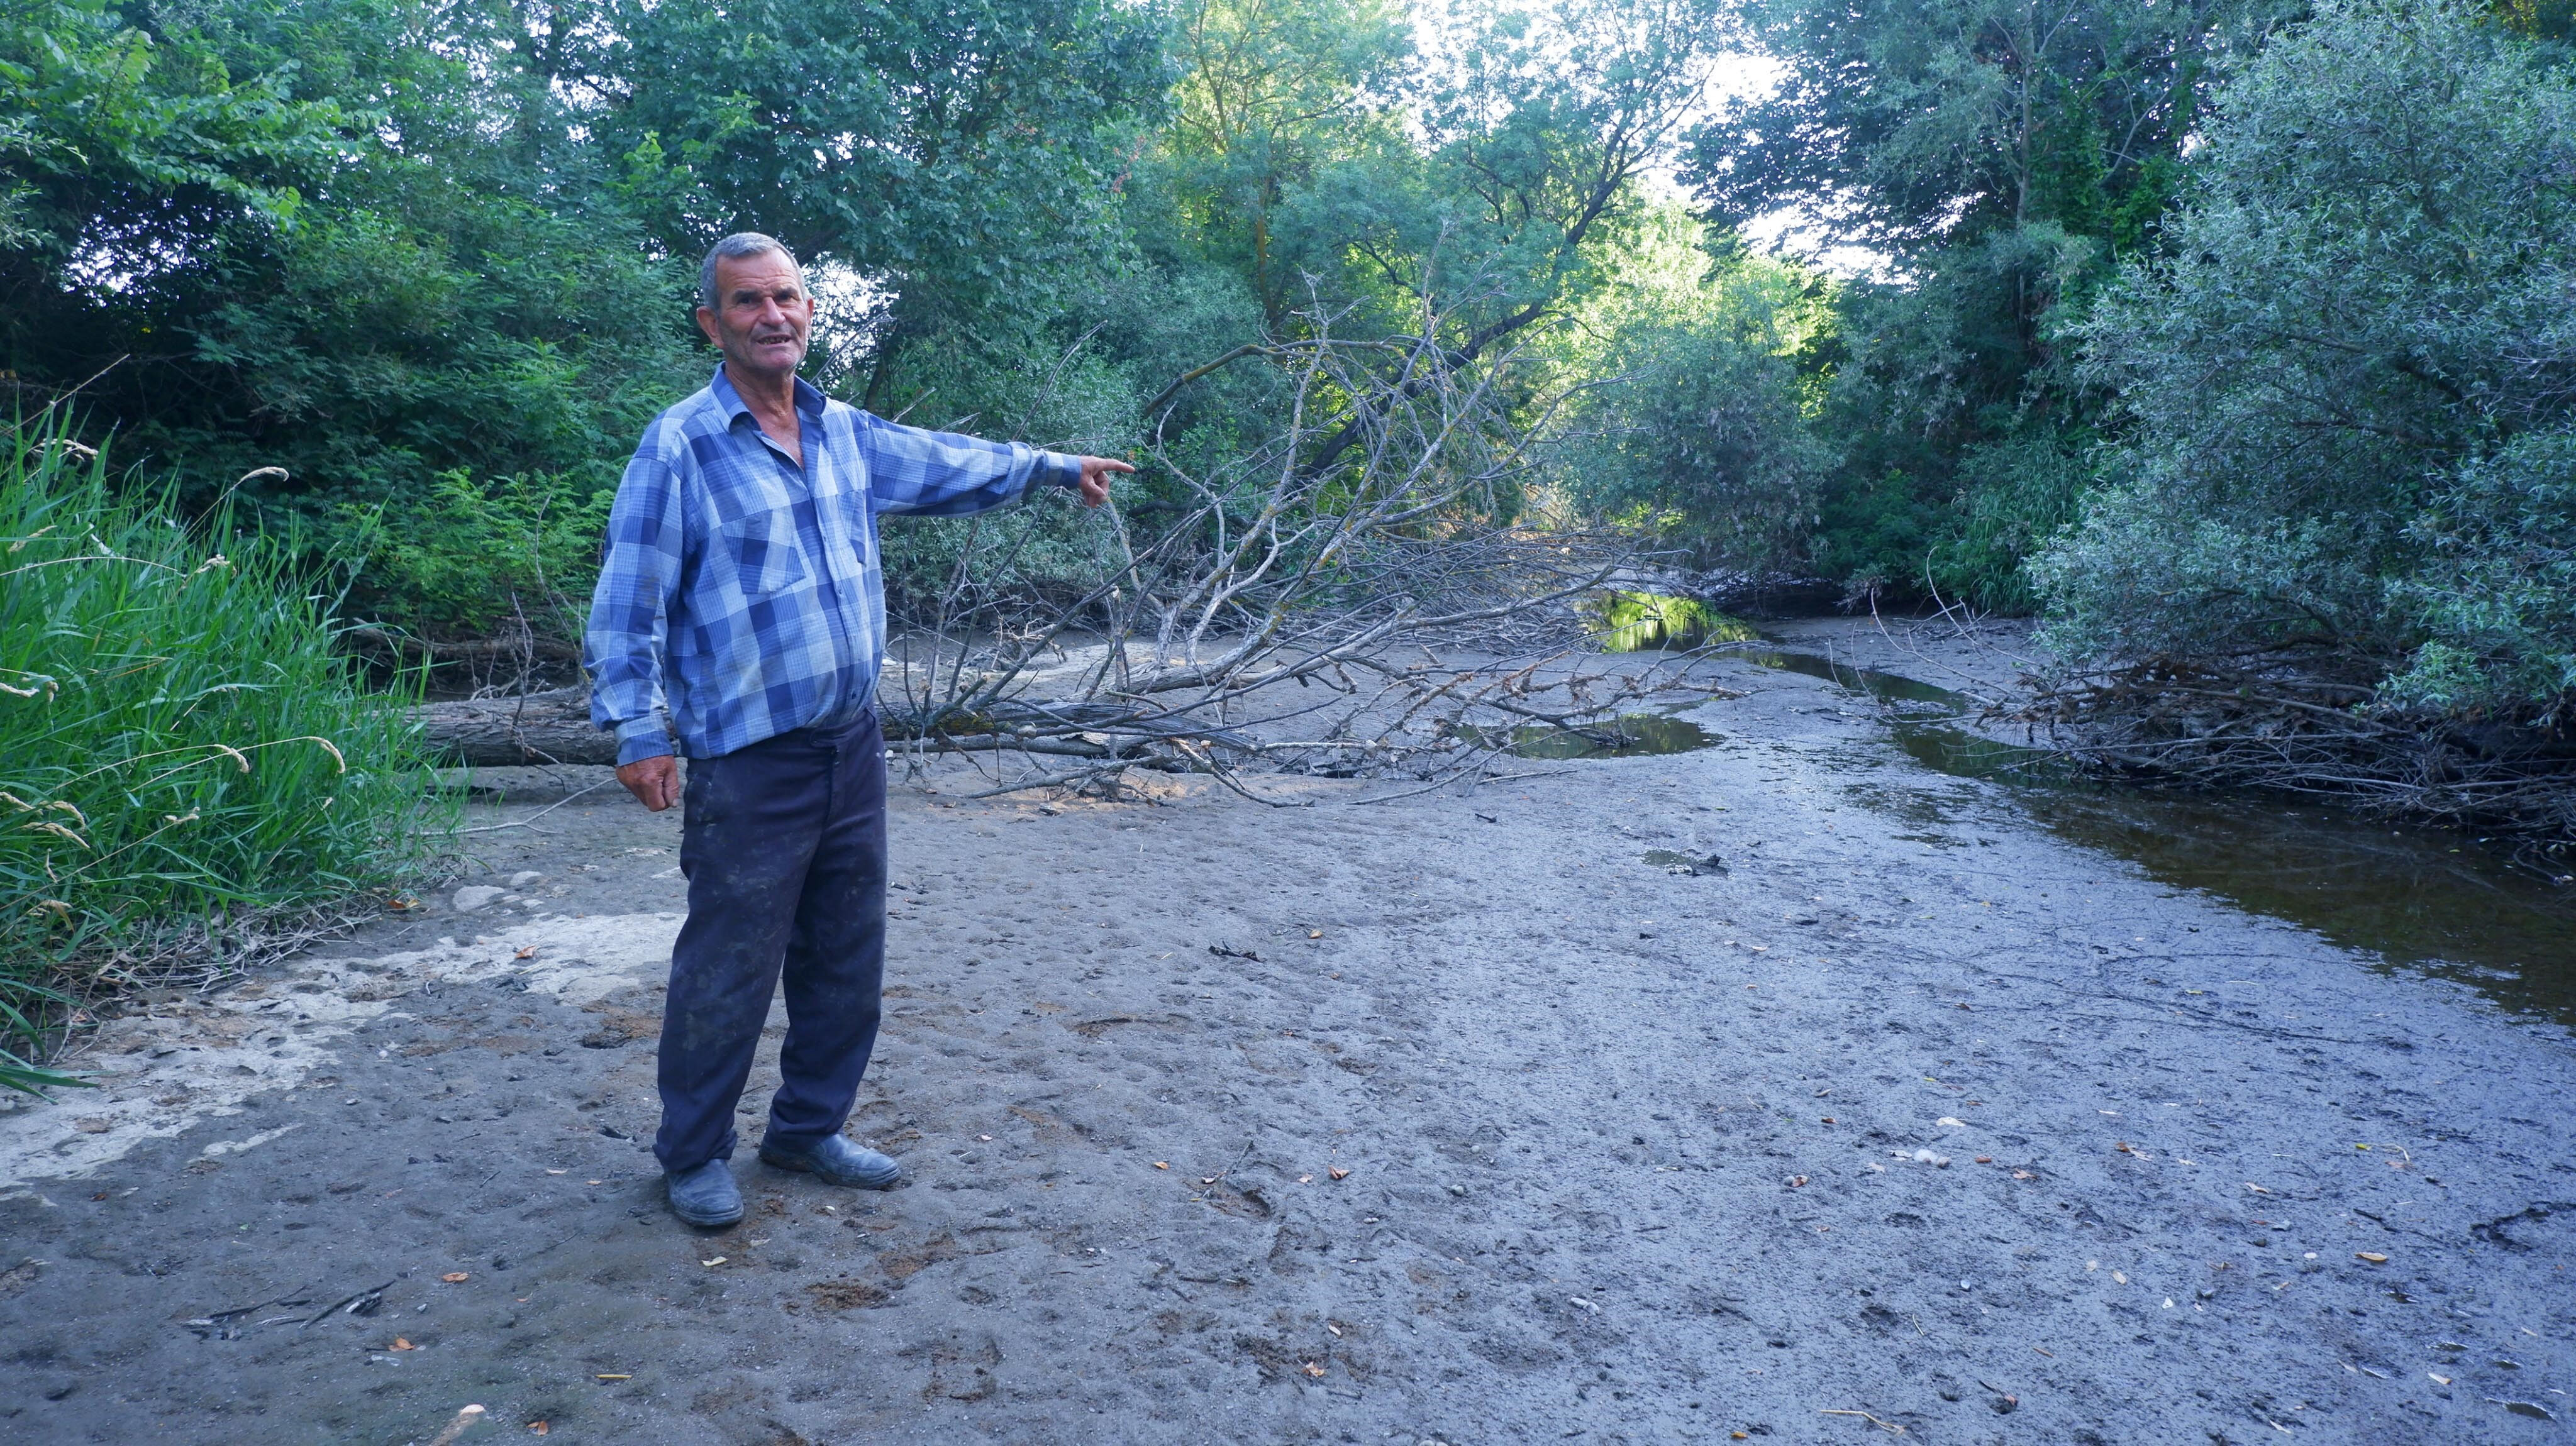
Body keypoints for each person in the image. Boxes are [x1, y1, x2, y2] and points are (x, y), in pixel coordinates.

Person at [584, 231, 1134, 1227]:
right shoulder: (680, 445)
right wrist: (636, 728)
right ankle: (693, 1154)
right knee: (729, 965)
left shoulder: (842, 431)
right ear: (713, 322)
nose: (773, 316)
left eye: (787, 297)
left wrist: (1058, 468)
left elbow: (948, 463)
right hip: (748, 760)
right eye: (747, 302)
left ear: (808, 309)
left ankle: (805, 1130)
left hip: (849, 744)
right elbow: (628, 603)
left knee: (846, 954)